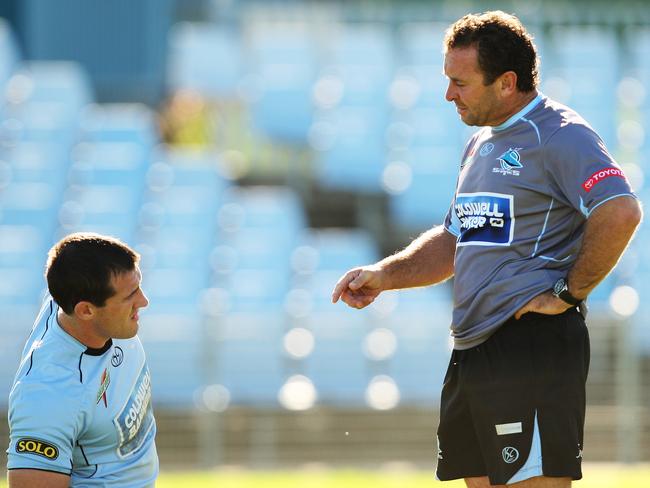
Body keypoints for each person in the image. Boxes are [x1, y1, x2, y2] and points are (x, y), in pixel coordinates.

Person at [332, 11, 642, 488]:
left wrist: (566, 292)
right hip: (473, 348)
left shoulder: (559, 134)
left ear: (506, 82)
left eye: (460, 82)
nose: (448, 95)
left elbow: (620, 212)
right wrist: (385, 274)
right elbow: (457, 239)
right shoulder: (479, 144)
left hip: (531, 347)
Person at [6, 233, 158, 487]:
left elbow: (73, 259)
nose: (143, 301)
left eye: (139, 286)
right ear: (86, 310)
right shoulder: (48, 396)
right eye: (130, 296)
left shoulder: (83, 300)